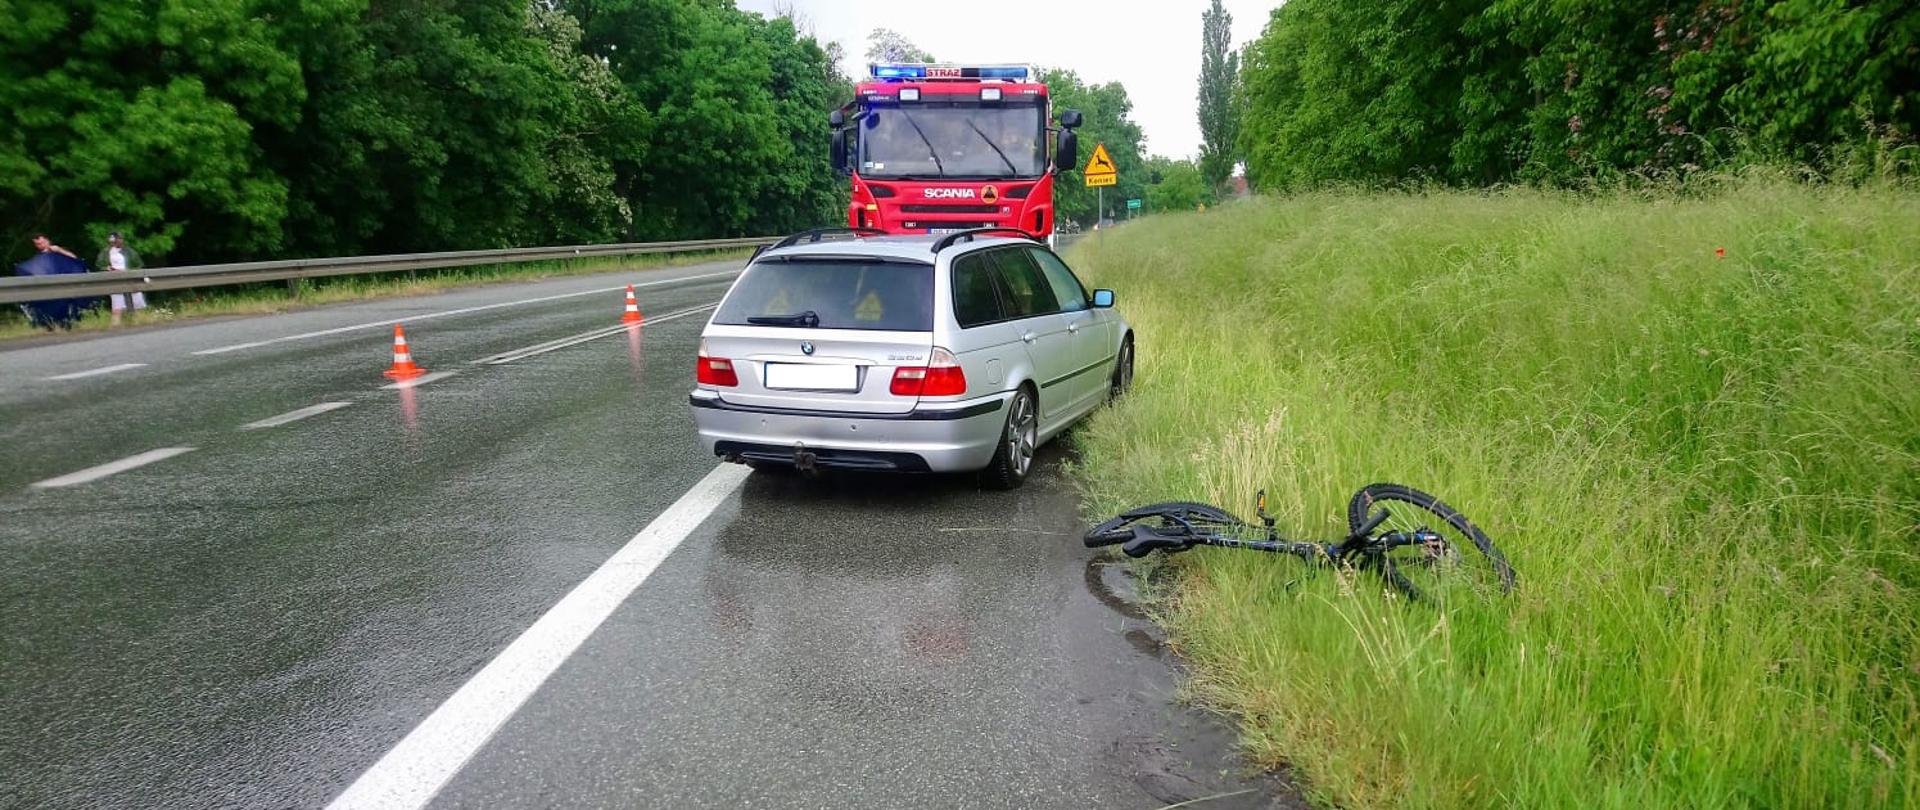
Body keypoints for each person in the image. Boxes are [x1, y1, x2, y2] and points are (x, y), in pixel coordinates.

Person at [96, 231, 147, 324]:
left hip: (131, 281)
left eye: (119, 239)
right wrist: (107, 268)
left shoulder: (129, 252)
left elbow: (139, 265)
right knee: (117, 309)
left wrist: (129, 271)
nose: (116, 242)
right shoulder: (105, 253)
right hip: (116, 282)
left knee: (137, 307)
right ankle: (116, 328)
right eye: (114, 240)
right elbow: (100, 265)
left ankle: (139, 325)